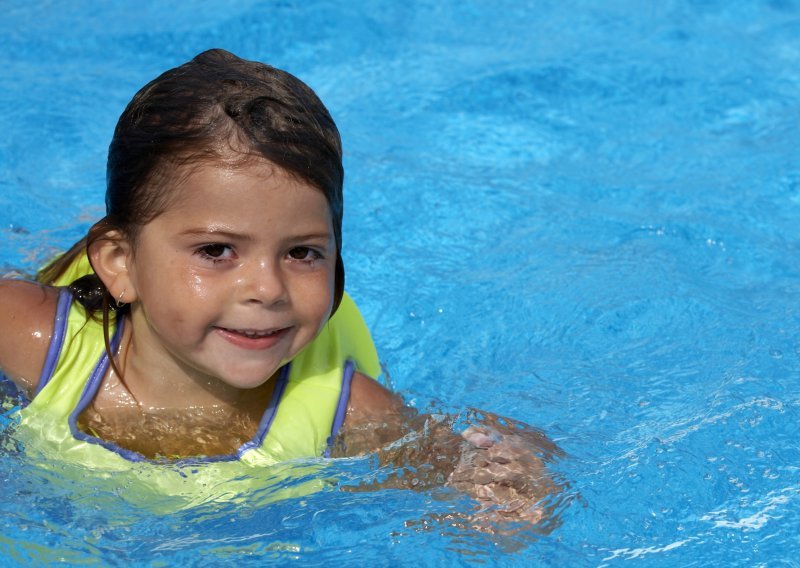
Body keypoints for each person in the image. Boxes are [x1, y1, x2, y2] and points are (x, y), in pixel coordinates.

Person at [0, 49, 561, 525]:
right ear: (120, 263)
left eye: (301, 253)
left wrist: (508, 484)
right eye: (215, 251)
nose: (267, 288)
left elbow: (488, 471)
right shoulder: (33, 341)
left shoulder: (346, 416)